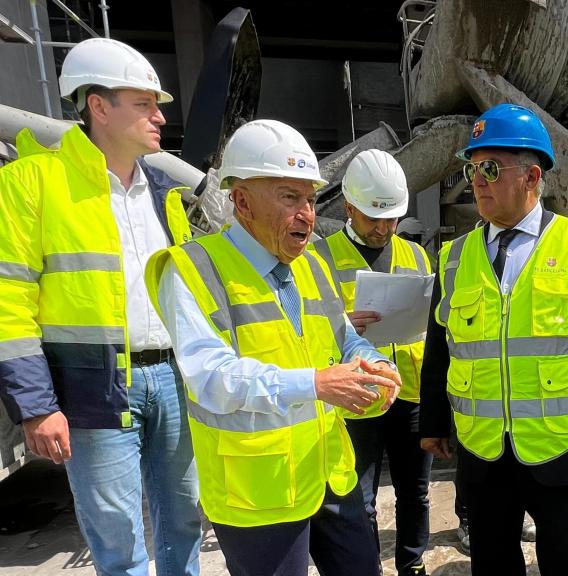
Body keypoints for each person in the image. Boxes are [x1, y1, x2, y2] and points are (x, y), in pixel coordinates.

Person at [145, 119, 402, 576]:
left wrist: (375, 363)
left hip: (328, 472)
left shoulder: (311, 265)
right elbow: (212, 378)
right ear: (242, 201)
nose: (307, 214)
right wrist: (316, 384)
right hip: (257, 493)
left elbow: (343, 338)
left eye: (310, 199)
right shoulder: (192, 270)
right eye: (289, 197)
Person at [0, 37, 201, 575]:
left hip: (172, 379)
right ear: (98, 106)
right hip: (93, 385)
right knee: (118, 540)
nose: (160, 117)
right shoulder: (32, 183)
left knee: (185, 520)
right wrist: (36, 405)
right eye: (144, 104)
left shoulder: (163, 193)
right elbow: (8, 301)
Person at [419, 103, 568, 575]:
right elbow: (440, 345)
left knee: (565, 562)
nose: (477, 181)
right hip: (482, 448)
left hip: (560, 445)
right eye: (473, 169)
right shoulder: (454, 257)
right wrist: (432, 421)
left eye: (491, 169)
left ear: (532, 177)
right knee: (492, 563)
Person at [313, 149, 432, 576]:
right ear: (349, 208)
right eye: (373, 219)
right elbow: (306, 328)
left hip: (409, 390)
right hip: (356, 397)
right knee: (359, 498)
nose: (383, 228)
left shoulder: (416, 255)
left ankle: (412, 564)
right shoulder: (319, 259)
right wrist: (342, 325)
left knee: (415, 492)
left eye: (392, 219)